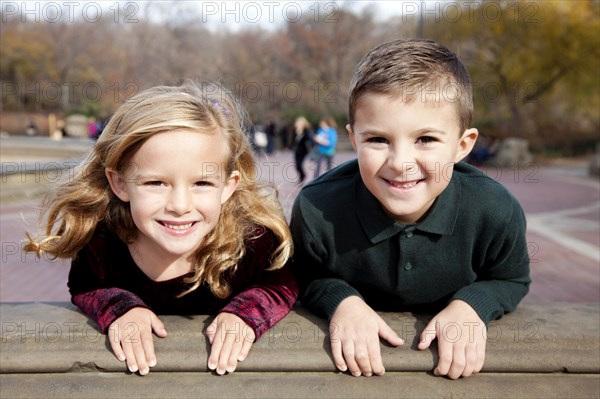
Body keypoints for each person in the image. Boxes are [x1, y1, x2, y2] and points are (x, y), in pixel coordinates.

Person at [290, 39, 530, 379]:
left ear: (463, 145)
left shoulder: (495, 210)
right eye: (378, 140)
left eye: (426, 139)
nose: (400, 163)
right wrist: (343, 302)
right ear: (354, 139)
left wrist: (471, 305)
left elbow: (511, 278)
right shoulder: (317, 208)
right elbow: (305, 276)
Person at [25, 80, 298, 376]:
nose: (180, 205)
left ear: (228, 187)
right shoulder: (103, 239)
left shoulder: (250, 241)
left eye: (202, 183)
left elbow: (282, 283)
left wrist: (245, 315)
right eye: (156, 183)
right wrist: (122, 308)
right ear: (119, 183)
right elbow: (85, 285)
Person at [292, 116, 312, 183]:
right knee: (296, 166)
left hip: (303, 151)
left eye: (299, 123)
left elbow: (308, 140)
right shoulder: (295, 131)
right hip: (296, 151)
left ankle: (303, 176)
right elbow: (293, 141)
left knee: (299, 164)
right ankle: (301, 177)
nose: (297, 124)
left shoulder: (306, 131)